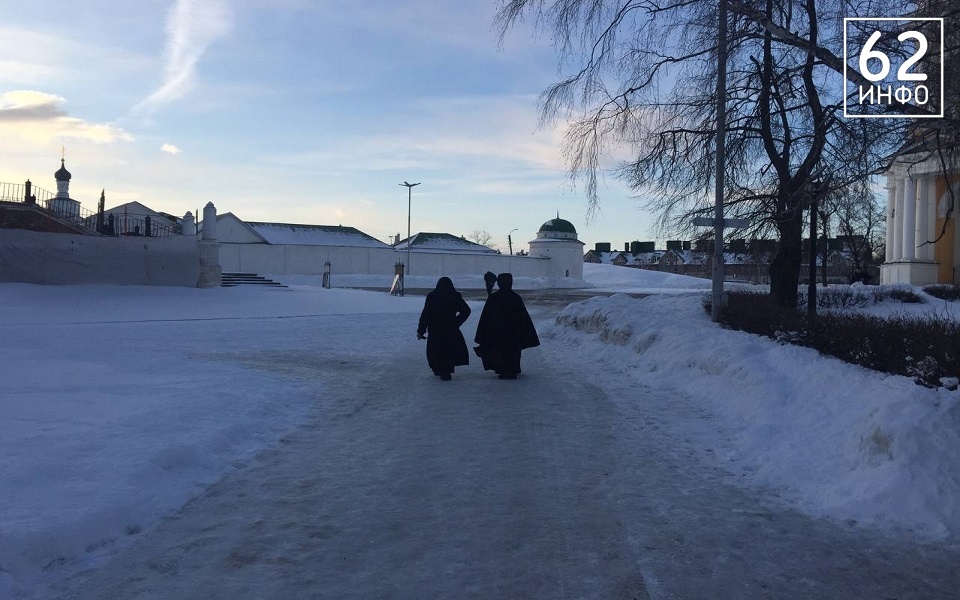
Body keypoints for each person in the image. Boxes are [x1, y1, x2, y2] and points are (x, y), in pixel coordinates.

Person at [474, 272, 540, 379]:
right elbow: (524, 318)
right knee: (512, 352)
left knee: (499, 351)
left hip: (497, 333)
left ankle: (502, 370)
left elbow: (485, 318)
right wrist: (526, 334)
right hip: (513, 333)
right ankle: (512, 370)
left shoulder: (494, 298)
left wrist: (482, 335)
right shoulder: (515, 298)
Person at [417, 277, 471, 381]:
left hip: (435, 330)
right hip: (451, 329)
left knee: (435, 351)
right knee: (449, 350)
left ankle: (438, 369)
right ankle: (446, 371)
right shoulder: (454, 296)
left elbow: (426, 315)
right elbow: (466, 311)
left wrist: (421, 330)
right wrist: (456, 322)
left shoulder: (432, 296)